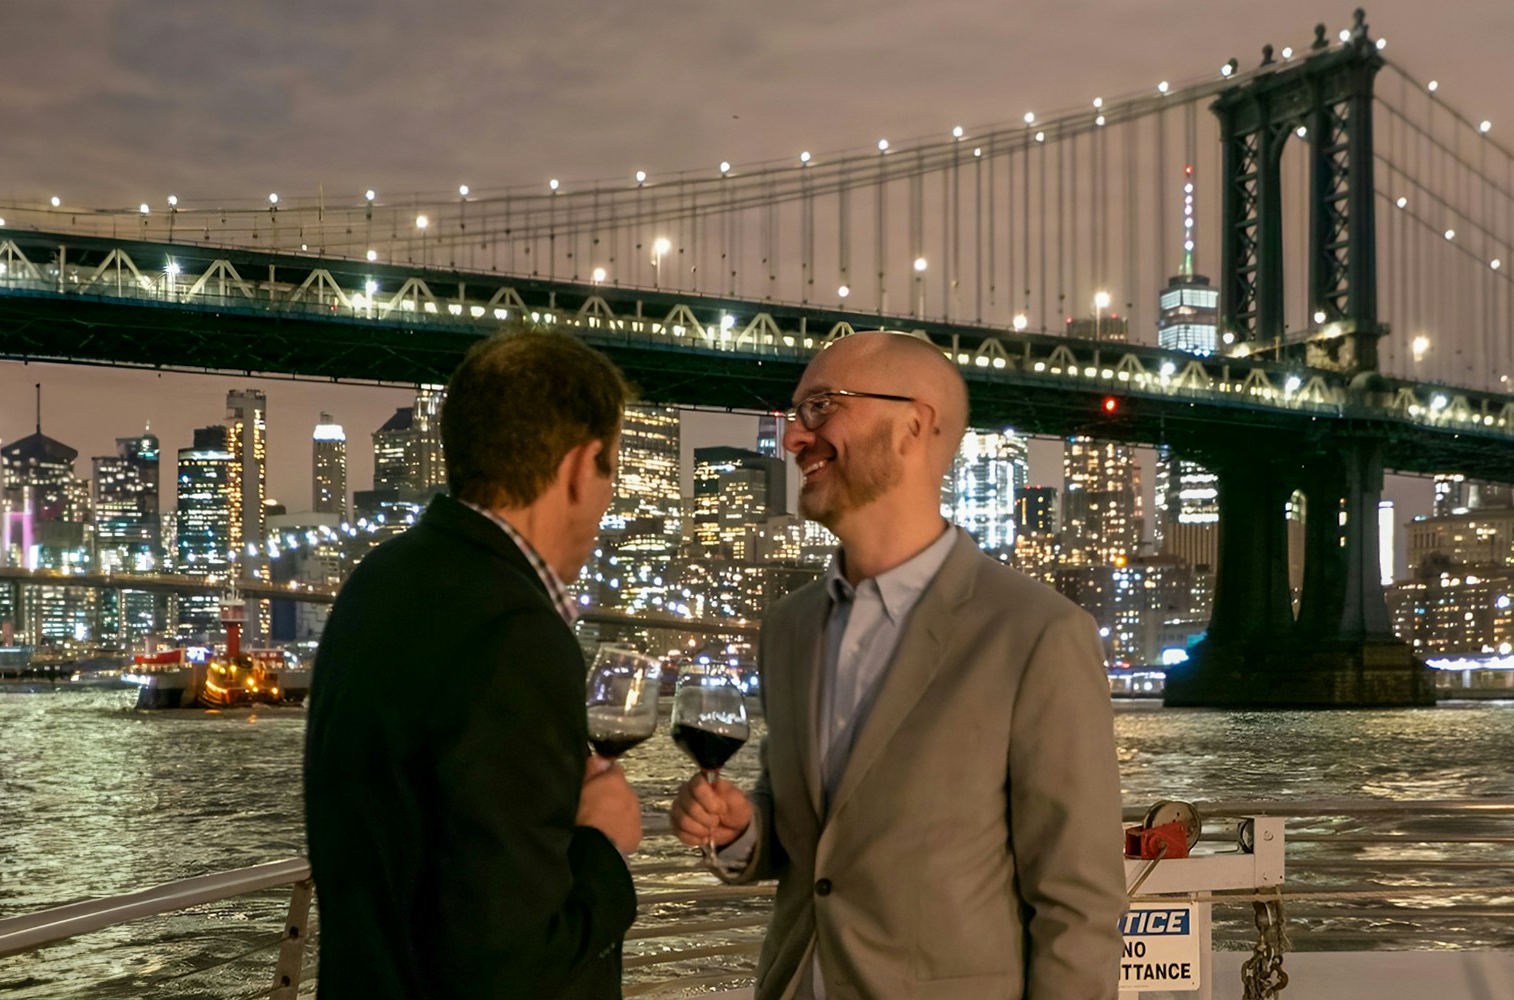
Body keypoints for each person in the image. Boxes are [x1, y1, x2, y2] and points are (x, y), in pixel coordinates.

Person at [670, 331, 1126, 999]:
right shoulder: (789, 627)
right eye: (797, 414)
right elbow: (814, 844)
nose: (794, 438)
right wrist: (741, 830)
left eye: (821, 407)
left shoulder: (1037, 635)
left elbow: (1079, 909)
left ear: (914, 426)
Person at [304, 329, 642, 1000]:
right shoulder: (518, 633)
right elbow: (509, 964)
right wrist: (604, 847)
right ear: (582, 466)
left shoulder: (378, 582)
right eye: (611, 471)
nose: (607, 502)